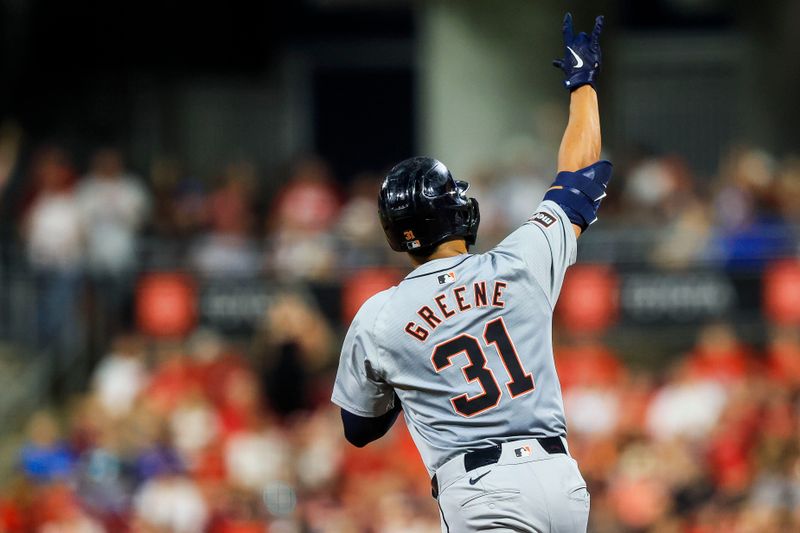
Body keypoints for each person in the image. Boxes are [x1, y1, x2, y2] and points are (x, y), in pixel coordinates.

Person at [332, 13, 609, 532]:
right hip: (561, 479)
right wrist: (582, 84)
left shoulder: (380, 317)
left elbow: (358, 428)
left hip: (482, 491)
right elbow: (579, 177)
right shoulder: (520, 261)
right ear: (459, 212)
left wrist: (407, 379)